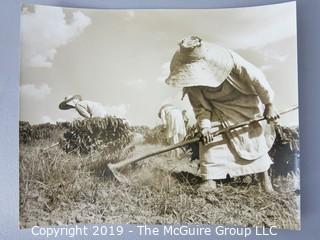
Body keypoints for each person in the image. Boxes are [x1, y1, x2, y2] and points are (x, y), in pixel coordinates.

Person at [165, 36, 279, 192]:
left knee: (252, 141)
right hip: (215, 110)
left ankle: (264, 180)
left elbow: (257, 79)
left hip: (243, 102)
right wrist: (204, 127)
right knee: (210, 142)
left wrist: (269, 104)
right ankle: (210, 180)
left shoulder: (229, 61)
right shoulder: (192, 82)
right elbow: (200, 107)